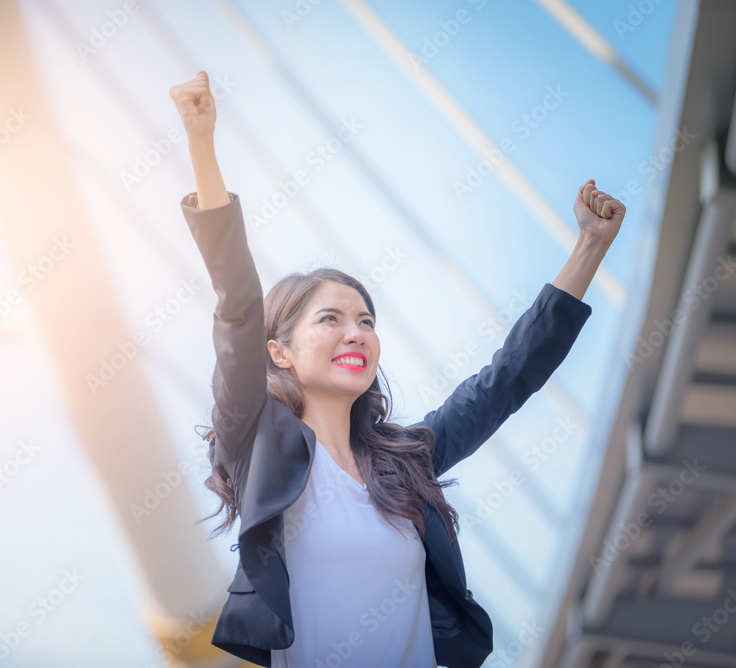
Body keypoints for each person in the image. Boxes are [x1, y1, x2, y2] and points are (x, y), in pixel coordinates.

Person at [169, 70, 625, 668]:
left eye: (366, 320)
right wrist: (202, 142)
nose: (356, 332)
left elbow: (507, 379)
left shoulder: (408, 462)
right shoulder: (256, 446)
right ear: (278, 350)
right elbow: (237, 302)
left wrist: (590, 245)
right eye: (329, 319)